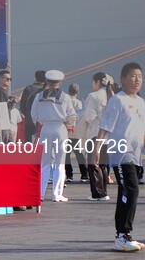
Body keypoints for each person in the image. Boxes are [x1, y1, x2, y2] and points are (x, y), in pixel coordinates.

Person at [95, 62, 145, 252]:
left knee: (129, 191)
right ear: (123, 79)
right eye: (132, 76)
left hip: (135, 155)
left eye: (139, 76)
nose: (137, 79)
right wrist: (96, 150)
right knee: (130, 191)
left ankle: (124, 235)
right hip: (121, 153)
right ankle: (122, 235)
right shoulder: (118, 100)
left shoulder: (140, 101)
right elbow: (105, 126)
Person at [31, 69, 76, 202]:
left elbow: (34, 115)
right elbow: (71, 115)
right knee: (59, 162)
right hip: (59, 128)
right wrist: (67, 123)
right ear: (60, 83)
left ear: (46, 81)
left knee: (44, 162)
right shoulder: (65, 97)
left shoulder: (39, 97)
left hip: (45, 128)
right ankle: (57, 194)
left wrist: (43, 121)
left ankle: (40, 194)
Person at [81, 72, 115, 201]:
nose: (92, 85)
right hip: (108, 135)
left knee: (93, 164)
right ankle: (104, 192)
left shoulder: (93, 96)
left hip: (95, 133)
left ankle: (97, 193)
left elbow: (89, 116)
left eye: (93, 82)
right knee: (103, 165)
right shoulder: (112, 95)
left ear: (98, 82)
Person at [65, 83, 88, 183]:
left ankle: (69, 175)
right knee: (79, 154)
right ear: (77, 92)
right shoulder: (79, 103)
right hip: (76, 133)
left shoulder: (65, 101)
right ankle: (84, 175)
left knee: (66, 155)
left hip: (66, 133)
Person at [20, 70, 46, 143]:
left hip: (29, 122)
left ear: (35, 78)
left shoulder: (28, 88)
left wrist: (27, 115)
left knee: (29, 146)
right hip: (43, 123)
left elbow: (22, 106)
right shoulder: (46, 90)